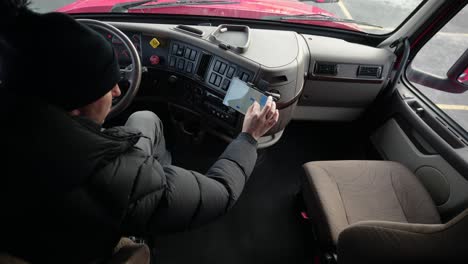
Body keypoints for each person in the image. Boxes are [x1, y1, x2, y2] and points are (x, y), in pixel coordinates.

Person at [0, 2, 279, 264]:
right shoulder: (115, 180)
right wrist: (249, 137)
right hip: (84, 245)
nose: (118, 90)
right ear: (75, 106)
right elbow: (222, 193)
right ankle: (140, 231)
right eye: (107, 85)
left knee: (145, 117)